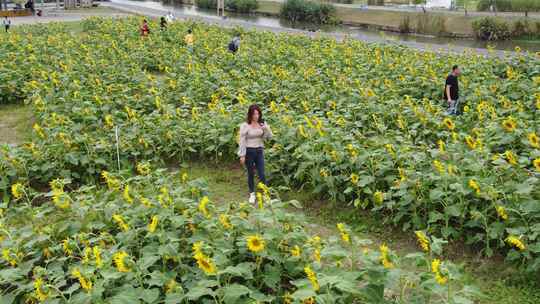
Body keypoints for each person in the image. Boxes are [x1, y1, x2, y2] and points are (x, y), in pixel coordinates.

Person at [238, 104, 273, 204]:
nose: (256, 116)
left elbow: (269, 137)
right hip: (249, 151)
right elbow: (242, 140)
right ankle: (252, 193)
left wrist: (266, 128)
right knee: (251, 173)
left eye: (258, 114)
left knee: (262, 173)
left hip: (259, 150)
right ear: (250, 115)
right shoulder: (245, 126)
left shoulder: (262, 124)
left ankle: (265, 194)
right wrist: (242, 155)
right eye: (254, 114)